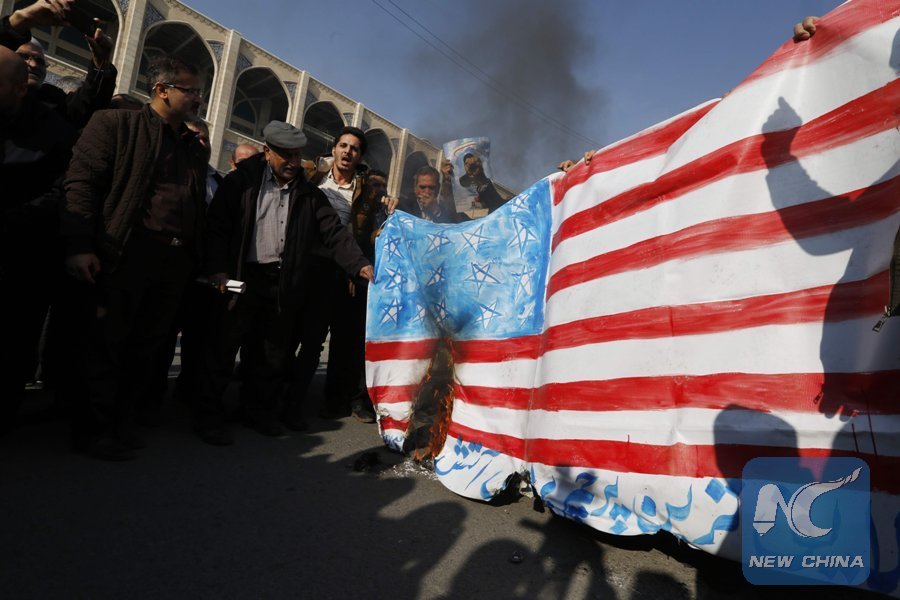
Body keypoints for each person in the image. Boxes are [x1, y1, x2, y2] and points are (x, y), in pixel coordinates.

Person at [62, 55, 209, 460]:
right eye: (191, 90)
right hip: (125, 253)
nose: (198, 99)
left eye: (200, 91)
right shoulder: (115, 125)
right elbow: (81, 184)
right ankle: (93, 429)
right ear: (162, 90)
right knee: (106, 344)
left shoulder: (192, 148)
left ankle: (120, 422)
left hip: (173, 262)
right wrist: (79, 245)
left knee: (146, 348)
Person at [197, 120, 374, 445]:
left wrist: (360, 265)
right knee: (224, 349)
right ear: (267, 152)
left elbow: (334, 232)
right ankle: (208, 416)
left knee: (270, 354)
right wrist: (217, 269)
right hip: (243, 279)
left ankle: (256, 411)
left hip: (281, 283)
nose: (294, 162)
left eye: (297, 155)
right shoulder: (241, 183)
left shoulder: (308, 194)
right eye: (286, 155)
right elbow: (218, 228)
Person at [290, 126, 396, 424]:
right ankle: (292, 402)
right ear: (334, 149)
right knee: (309, 339)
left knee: (344, 341)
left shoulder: (367, 193)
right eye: (344, 146)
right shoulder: (312, 178)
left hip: (348, 271)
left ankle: (334, 402)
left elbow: (373, 230)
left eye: (355, 149)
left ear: (360, 157)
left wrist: (388, 214)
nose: (348, 152)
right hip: (313, 268)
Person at [0, 44, 75, 431]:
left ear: (18, 89)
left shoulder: (51, 128)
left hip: (21, 257)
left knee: (13, 344)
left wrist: (14, 218)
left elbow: (62, 190)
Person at [1, 0, 116, 128]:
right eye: (24, 57)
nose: (33, 65)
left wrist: (101, 64)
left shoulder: (51, 103)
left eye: (40, 61)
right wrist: (20, 20)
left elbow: (85, 109)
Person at [400, 165, 469, 224]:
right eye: (422, 187)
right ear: (415, 188)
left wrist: (436, 211)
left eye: (431, 188)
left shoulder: (447, 211)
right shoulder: (404, 207)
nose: (427, 191)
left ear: (438, 189)